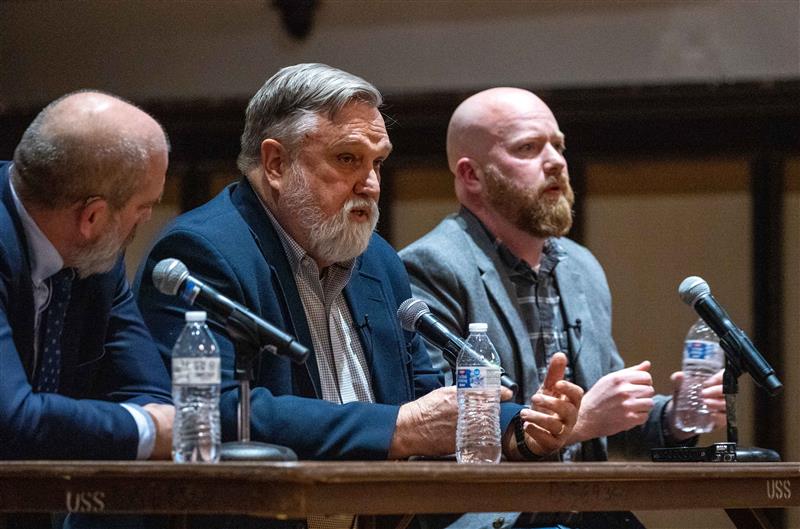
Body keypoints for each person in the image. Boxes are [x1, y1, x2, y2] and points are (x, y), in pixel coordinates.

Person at [134, 65, 582, 526]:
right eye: (348, 159)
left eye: (378, 162)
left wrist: (519, 428)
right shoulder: (204, 253)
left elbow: (426, 399)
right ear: (276, 164)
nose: (369, 181)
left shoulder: (379, 262)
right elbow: (217, 414)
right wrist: (400, 429)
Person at [400, 87, 726, 528]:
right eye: (528, 148)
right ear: (471, 175)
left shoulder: (580, 267)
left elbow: (608, 414)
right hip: (489, 517)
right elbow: (440, 429)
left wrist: (675, 417)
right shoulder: (432, 266)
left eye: (558, 145)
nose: (554, 160)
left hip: (583, 510)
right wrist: (580, 422)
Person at [0, 91, 174, 526]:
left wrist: (147, 423)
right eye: (144, 207)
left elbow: (151, 396)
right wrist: (144, 431)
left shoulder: (95, 255)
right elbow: (11, 421)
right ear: (92, 217)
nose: (146, 220)